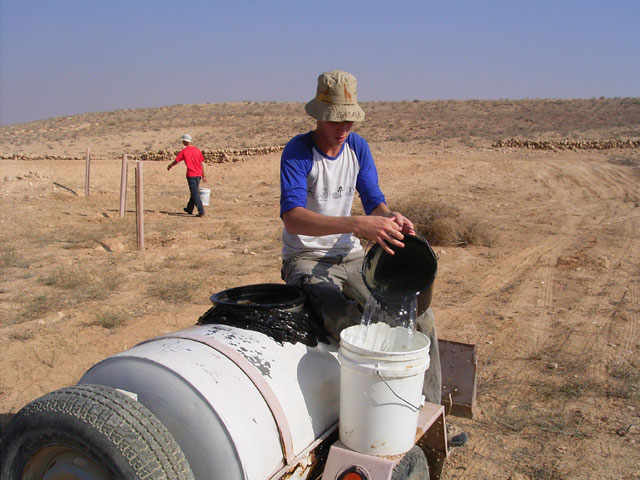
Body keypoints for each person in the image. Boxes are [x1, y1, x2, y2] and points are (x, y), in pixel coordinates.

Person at [280, 70, 467, 448]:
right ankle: (364, 421)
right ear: (318, 115)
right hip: (304, 259)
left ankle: (427, 418)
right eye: (335, 119)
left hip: (350, 258)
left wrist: (388, 216)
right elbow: (292, 216)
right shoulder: (297, 152)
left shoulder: (358, 148)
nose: (342, 126)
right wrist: (356, 223)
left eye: (349, 118)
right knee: (347, 323)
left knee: (421, 317)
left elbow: (374, 199)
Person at [167, 134, 207, 217]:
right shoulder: (197, 150)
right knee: (194, 191)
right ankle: (189, 208)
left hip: (191, 174)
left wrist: (170, 165)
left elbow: (176, 161)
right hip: (198, 174)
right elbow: (201, 164)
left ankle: (201, 210)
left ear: (185, 141)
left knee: (195, 193)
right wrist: (203, 175)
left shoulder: (184, 151)